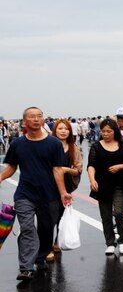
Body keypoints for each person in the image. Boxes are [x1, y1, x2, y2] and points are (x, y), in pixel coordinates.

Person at [0, 107, 73, 281]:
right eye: (32, 117)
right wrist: (1, 177)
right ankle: (26, 267)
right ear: (24, 121)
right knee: (26, 228)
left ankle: (40, 257)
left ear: (42, 120)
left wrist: (63, 193)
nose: (36, 119)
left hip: (49, 195)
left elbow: (57, 170)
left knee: (47, 228)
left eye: (39, 116)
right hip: (24, 193)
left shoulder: (53, 143)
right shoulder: (17, 144)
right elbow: (11, 166)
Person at [87, 119, 123, 256]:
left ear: (115, 131)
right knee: (106, 215)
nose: (106, 134)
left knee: (119, 212)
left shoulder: (122, 145)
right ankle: (110, 243)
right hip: (102, 185)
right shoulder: (96, 146)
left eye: (109, 131)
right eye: (103, 131)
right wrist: (92, 180)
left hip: (120, 184)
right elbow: (91, 165)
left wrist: (120, 166)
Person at [47, 119, 83, 262]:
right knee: (49, 217)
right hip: (49, 185)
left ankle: (57, 241)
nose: (63, 131)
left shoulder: (74, 148)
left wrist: (65, 170)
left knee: (61, 216)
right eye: (60, 128)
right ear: (54, 130)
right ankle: (47, 247)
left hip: (66, 187)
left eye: (66, 129)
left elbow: (77, 169)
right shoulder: (48, 146)